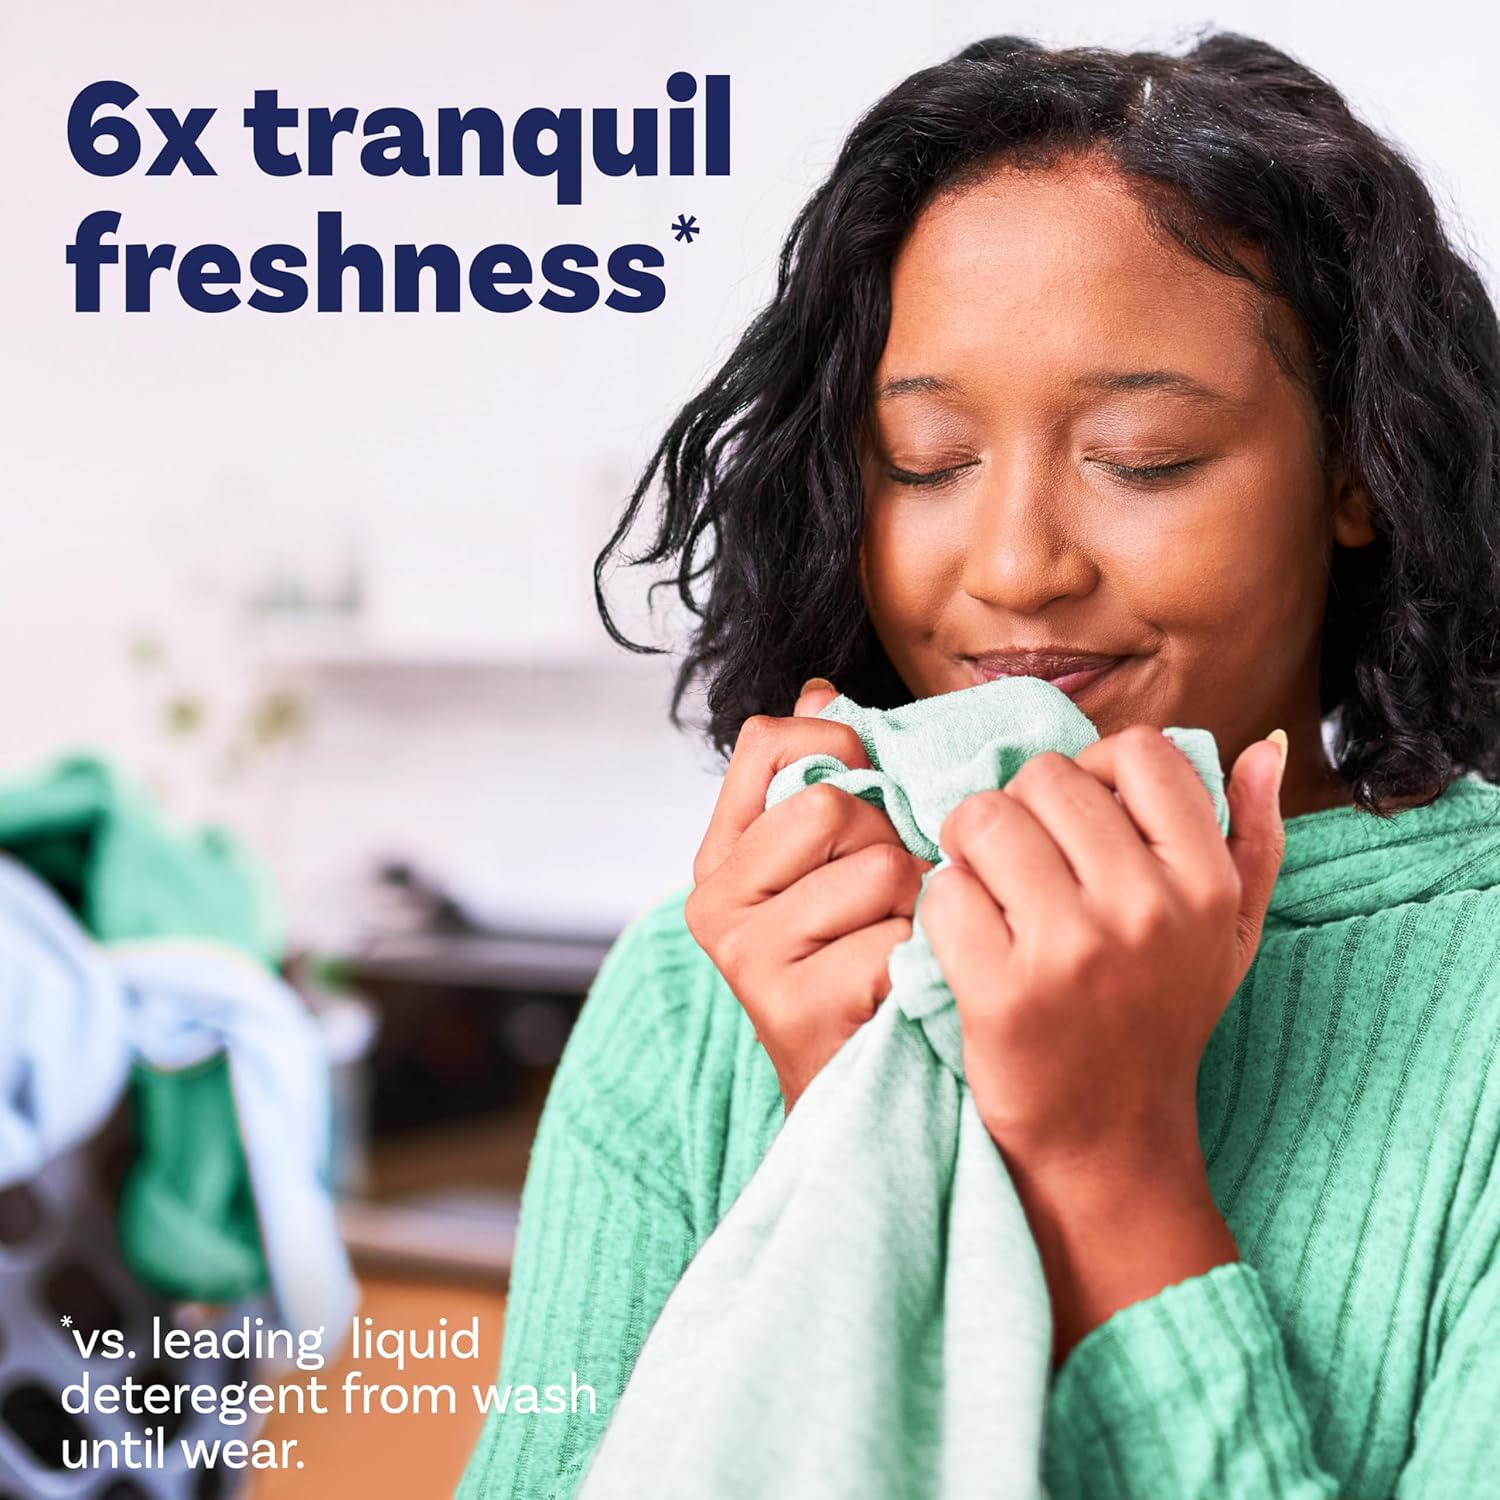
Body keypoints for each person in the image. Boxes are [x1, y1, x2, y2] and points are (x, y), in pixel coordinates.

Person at [459, 30, 1500, 1499]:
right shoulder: (692, 997)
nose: (1015, 568)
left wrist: (1104, 1167)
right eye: (929, 462)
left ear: (1357, 467)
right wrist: (868, 1123)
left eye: (1144, 456)